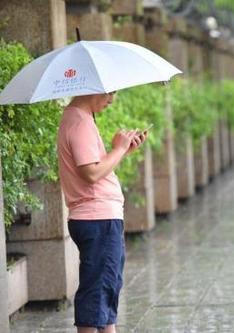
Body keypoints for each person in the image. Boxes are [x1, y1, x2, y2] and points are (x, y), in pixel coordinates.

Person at [57, 92, 147, 333]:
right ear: (92, 87)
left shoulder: (79, 118)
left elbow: (95, 168)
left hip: (99, 216)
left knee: (106, 286)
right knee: (97, 288)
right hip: (98, 217)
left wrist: (123, 151)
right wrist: (118, 148)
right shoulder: (80, 122)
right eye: (109, 93)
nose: (112, 99)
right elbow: (91, 173)